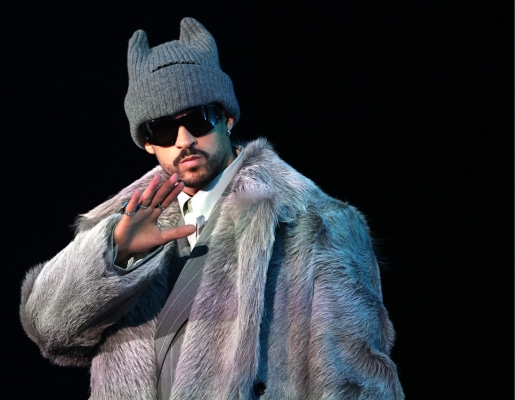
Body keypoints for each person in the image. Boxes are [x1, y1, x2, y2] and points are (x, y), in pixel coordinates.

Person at [20, 17, 404, 400]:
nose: (184, 139)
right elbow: (51, 335)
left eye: (198, 119)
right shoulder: (119, 226)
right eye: (164, 130)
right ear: (147, 143)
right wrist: (116, 256)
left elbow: (355, 384)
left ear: (227, 118)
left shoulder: (314, 223)